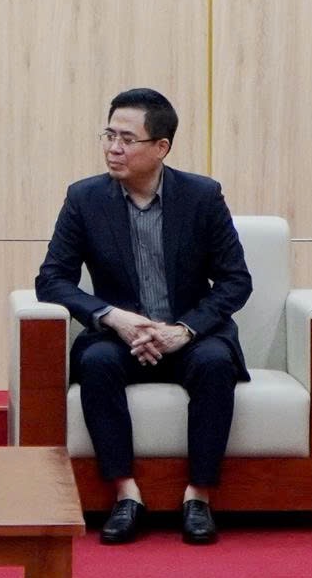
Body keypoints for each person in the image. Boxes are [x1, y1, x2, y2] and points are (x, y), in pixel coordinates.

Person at [35, 87, 253, 546]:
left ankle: (198, 497)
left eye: (127, 139)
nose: (114, 148)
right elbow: (51, 279)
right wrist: (112, 317)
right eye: (109, 135)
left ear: (161, 147)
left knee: (215, 364)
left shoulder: (202, 196)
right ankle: (126, 494)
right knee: (96, 363)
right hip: (118, 336)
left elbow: (236, 281)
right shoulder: (84, 198)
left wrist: (184, 330)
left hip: (189, 334)